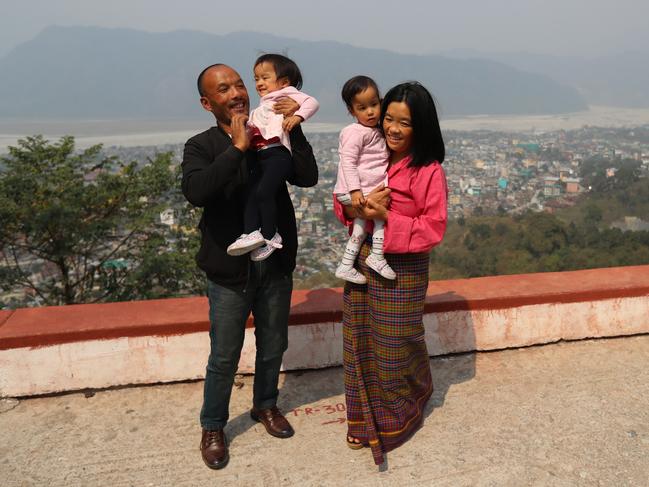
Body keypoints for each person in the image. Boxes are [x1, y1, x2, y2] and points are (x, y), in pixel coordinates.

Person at [181, 63, 318, 470]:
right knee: (224, 353)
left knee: (273, 343)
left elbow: (307, 176)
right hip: (229, 269)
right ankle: (213, 426)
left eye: (239, 84)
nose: (237, 93)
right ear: (208, 103)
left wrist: (291, 125)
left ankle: (265, 406)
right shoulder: (201, 145)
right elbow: (197, 191)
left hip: (274, 262)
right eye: (224, 90)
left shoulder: (270, 125)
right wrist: (237, 147)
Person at [333, 81, 448, 465]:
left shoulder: (429, 170)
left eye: (405, 122)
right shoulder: (375, 152)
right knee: (360, 339)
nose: (394, 129)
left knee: (394, 344)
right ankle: (362, 421)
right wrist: (356, 210)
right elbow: (345, 201)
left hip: (405, 267)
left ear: (422, 127)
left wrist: (386, 217)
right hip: (367, 257)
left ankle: (400, 412)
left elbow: (433, 227)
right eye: (388, 119)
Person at [226, 54, 319, 261]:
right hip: (262, 155)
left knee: (263, 191)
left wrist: (297, 116)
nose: (259, 83)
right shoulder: (262, 106)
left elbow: (312, 102)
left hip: (277, 154)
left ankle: (270, 234)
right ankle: (251, 232)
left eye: (265, 78)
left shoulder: (286, 95)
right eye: (256, 79)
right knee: (254, 192)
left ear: (284, 82)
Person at [333, 75, 394, 284]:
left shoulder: (375, 131)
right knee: (378, 216)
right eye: (362, 108)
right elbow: (347, 162)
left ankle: (346, 264)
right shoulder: (355, 132)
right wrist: (355, 191)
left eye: (374, 105)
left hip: (362, 190)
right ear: (352, 111)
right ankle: (377, 255)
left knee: (359, 228)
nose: (370, 112)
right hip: (354, 191)